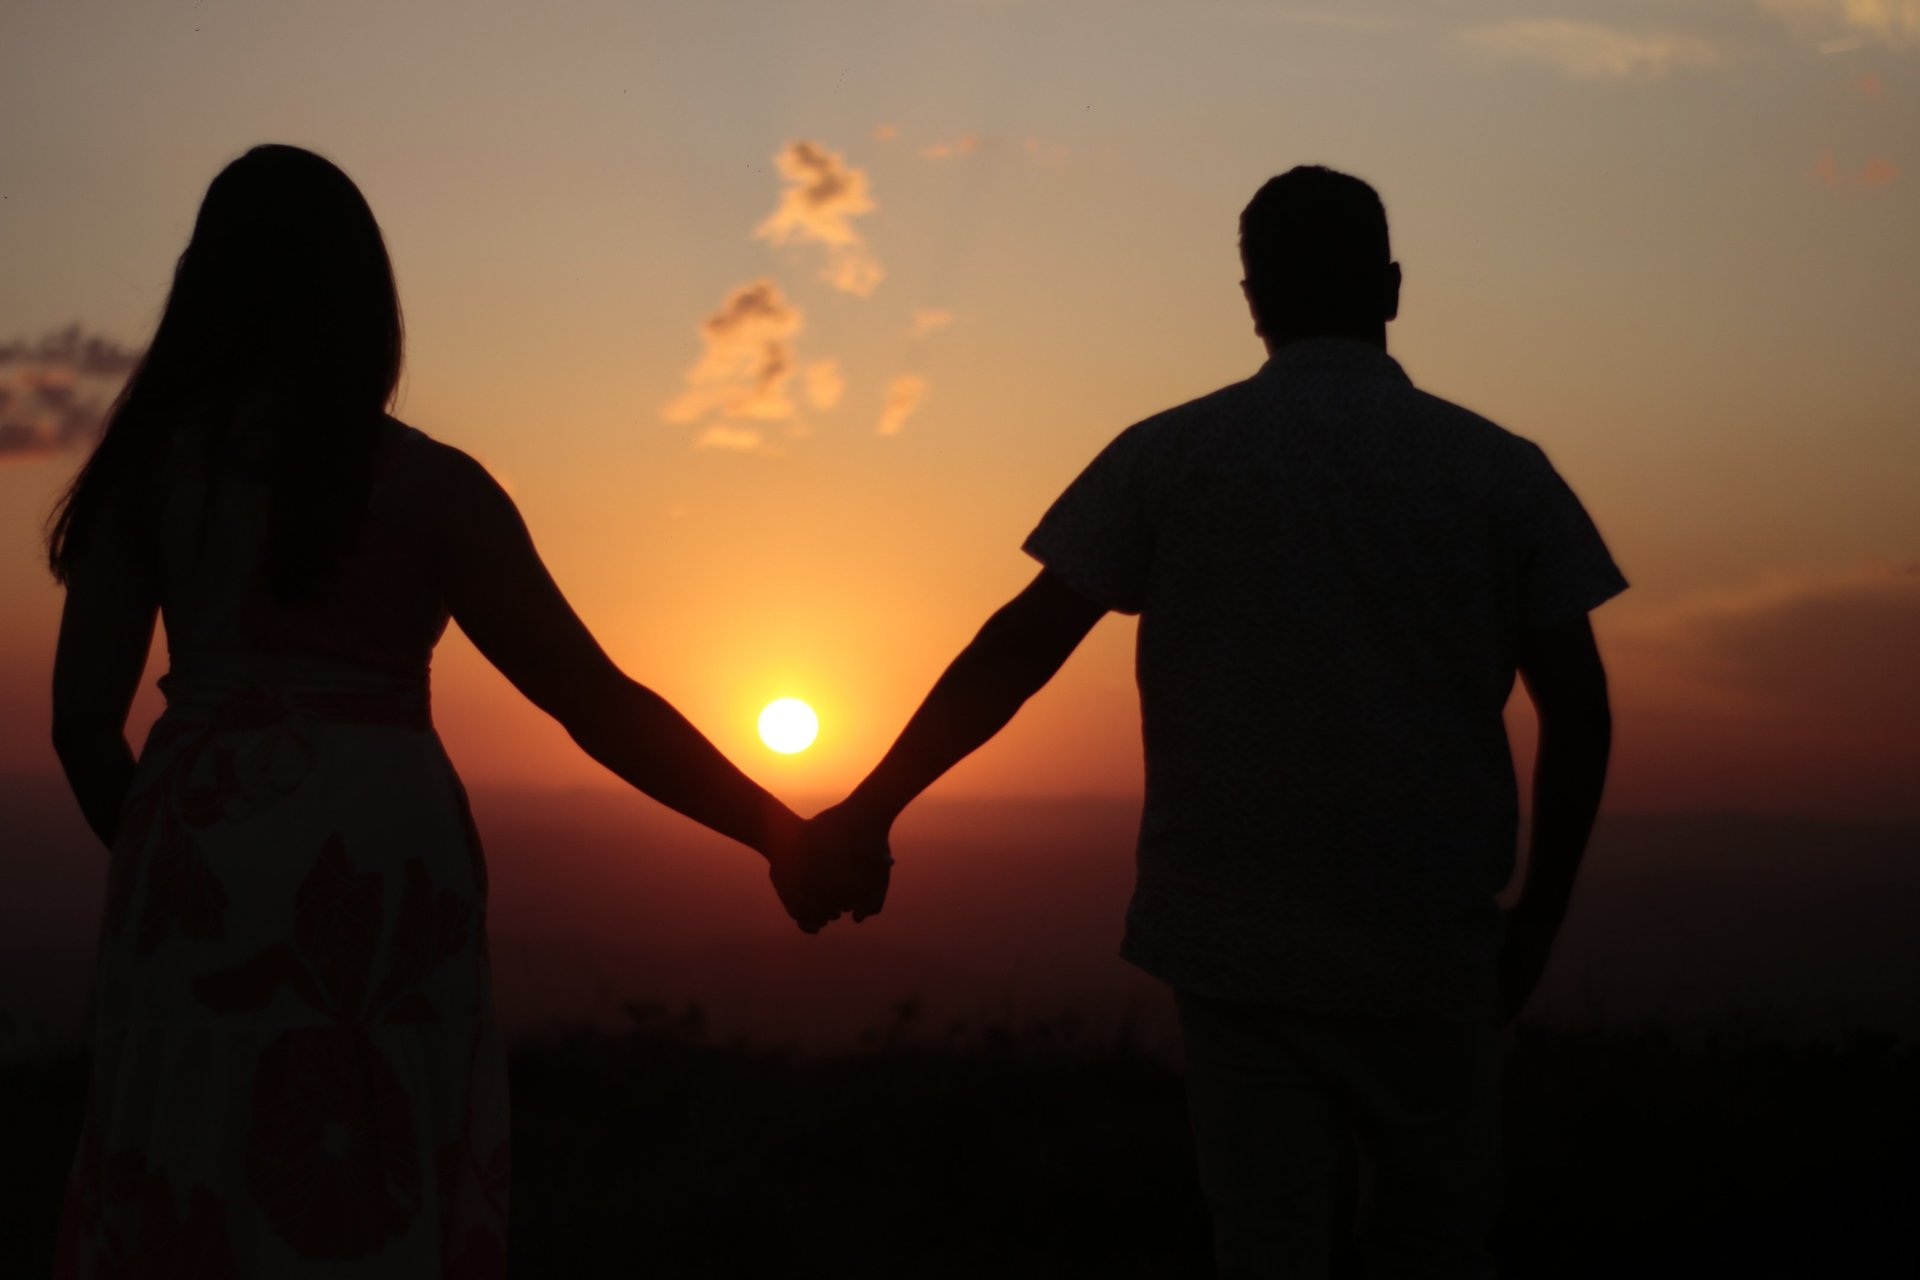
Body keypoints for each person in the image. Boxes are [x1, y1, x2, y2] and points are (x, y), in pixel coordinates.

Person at [46, 144, 865, 1277]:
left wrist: (176, 859)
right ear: (364, 299)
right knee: (369, 1172)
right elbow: (595, 700)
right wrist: (782, 832)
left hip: (194, 845)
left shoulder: (149, 474)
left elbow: (82, 725)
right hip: (386, 863)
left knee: (193, 1168)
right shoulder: (434, 487)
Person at [809, 165, 1624, 1276]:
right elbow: (1579, 709)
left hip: (1235, 937)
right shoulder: (1500, 472)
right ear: (1391, 287)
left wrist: (869, 805)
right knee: (1436, 1244)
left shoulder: (1173, 454)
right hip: (1433, 941)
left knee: (1267, 1246)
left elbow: (1023, 643)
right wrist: (1537, 916)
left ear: (1253, 296)